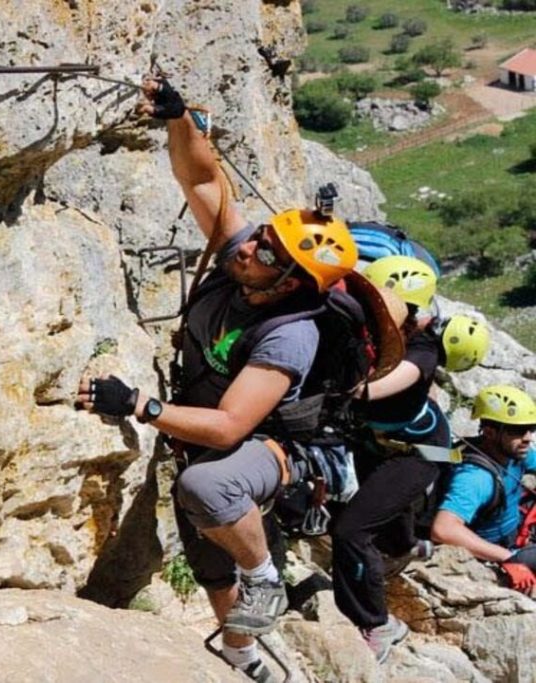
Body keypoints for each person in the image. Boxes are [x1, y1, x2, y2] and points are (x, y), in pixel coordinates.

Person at [75, 77, 361, 682]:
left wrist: (137, 405)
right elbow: (204, 181)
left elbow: (232, 426)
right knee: (211, 567)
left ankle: (265, 577)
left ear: (288, 283)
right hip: (204, 432)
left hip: (273, 447)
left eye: (265, 251)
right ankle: (242, 655)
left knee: (209, 488)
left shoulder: (291, 333)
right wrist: (179, 121)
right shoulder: (245, 262)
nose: (250, 245)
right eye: (262, 236)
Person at [331, 255, 445, 663]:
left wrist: (339, 386)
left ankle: (378, 623)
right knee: (390, 535)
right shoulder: (374, 334)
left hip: (416, 452)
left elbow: (376, 389)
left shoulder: (422, 349)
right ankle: (409, 545)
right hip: (377, 443)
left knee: (351, 532)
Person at [431, 385, 536, 593]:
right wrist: (506, 557)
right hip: (499, 549)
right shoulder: (475, 478)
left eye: (531, 428)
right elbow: (443, 529)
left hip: (514, 529)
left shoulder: (514, 453)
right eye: (517, 430)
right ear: (489, 432)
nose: (528, 437)